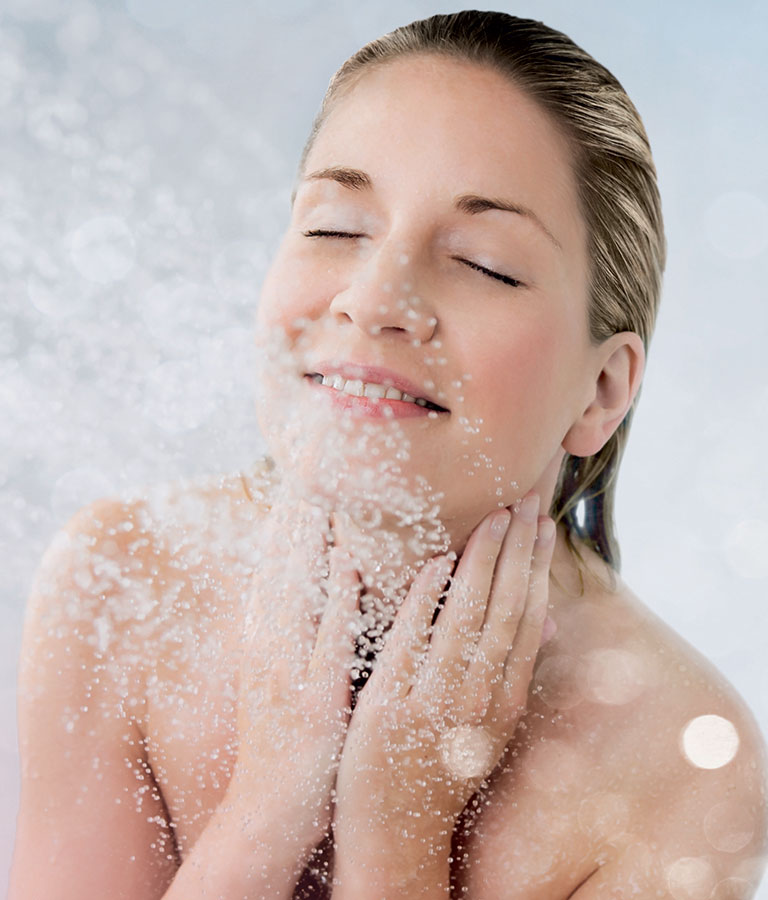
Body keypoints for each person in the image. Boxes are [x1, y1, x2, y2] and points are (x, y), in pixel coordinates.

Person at [10, 10, 768, 899]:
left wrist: (397, 836)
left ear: (600, 389)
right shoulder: (122, 583)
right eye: (334, 227)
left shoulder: (679, 767)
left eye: (484, 263)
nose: (374, 299)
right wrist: (265, 810)